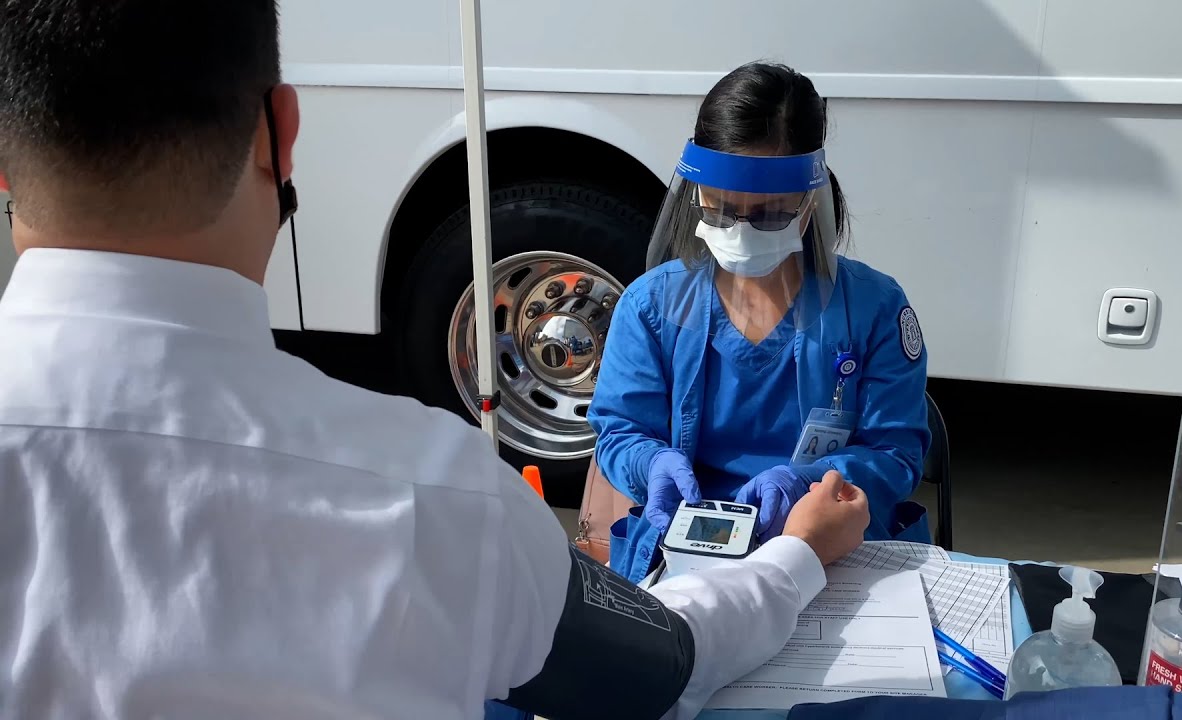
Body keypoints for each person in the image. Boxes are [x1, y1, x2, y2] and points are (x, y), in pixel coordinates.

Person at [0, 5, 871, 719]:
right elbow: (663, 665)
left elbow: (889, 443)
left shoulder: (866, 305)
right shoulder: (435, 492)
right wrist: (795, 554)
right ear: (282, 135)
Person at [588, 62, 932, 584]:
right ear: (696, 195)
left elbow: (896, 453)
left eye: (770, 215)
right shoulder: (652, 307)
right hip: (687, 551)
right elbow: (620, 430)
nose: (740, 232)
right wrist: (650, 464)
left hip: (826, 548)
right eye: (721, 211)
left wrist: (808, 482)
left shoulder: (873, 309)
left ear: (811, 201)